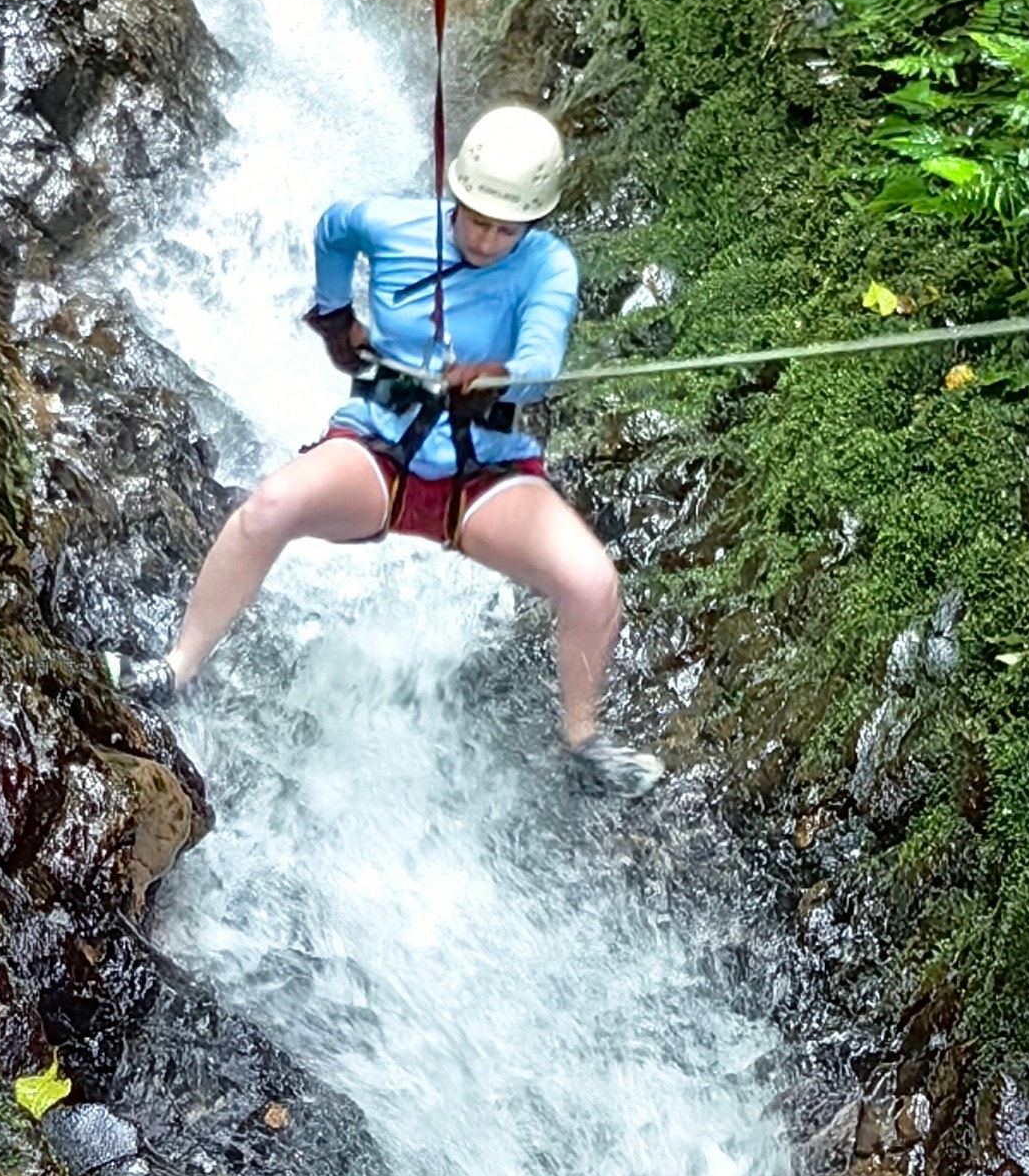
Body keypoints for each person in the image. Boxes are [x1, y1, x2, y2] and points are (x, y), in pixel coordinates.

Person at [114, 103, 664, 796]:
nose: (489, 239)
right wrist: (334, 311)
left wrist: (500, 377)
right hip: (380, 448)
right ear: (456, 194)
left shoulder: (547, 266)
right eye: (477, 218)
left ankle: (582, 744)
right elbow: (334, 229)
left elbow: (541, 356)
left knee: (591, 583)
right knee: (270, 507)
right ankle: (180, 666)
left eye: (508, 227)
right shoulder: (394, 225)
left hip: (481, 473)